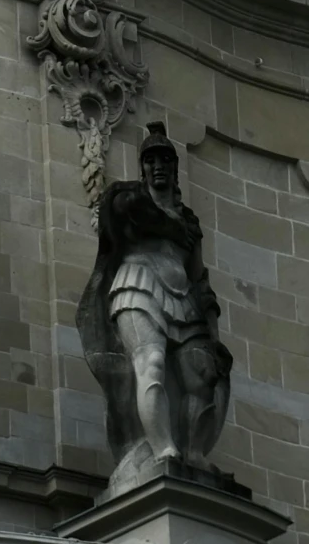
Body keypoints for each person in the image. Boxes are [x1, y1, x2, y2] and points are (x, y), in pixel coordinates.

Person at [76, 123, 232, 498]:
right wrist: (170, 225)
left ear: (175, 168)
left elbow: (199, 278)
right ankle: (163, 450)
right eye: (150, 160)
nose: (158, 166)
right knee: (152, 364)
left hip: (184, 297)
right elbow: (120, 211)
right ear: (142, 167)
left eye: (164, 159)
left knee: (202, 377)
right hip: (137, 284)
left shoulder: (189, 221)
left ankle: (192, 453)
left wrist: (213, 333)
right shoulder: (129, 199)